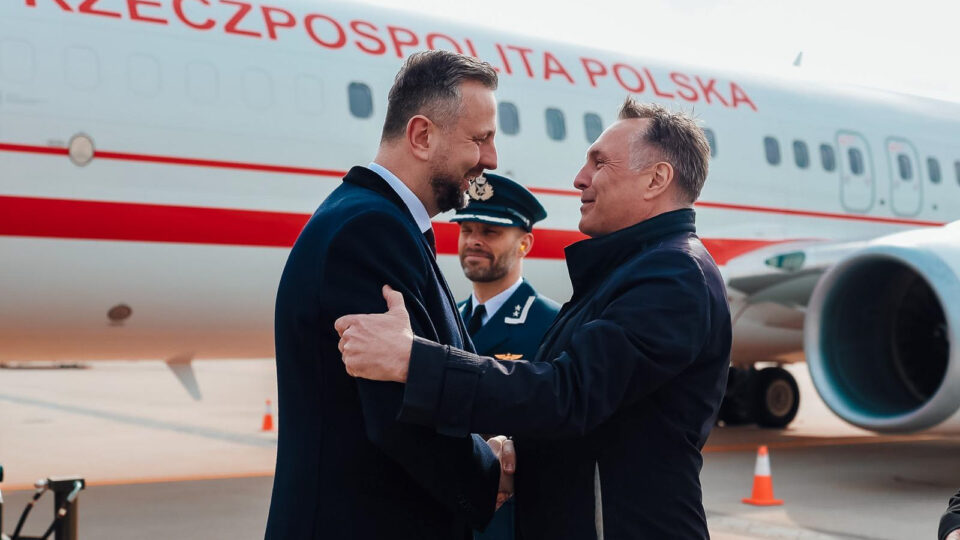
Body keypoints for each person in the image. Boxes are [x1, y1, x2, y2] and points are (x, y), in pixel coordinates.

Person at [336, 99, 732, 539]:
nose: (580, 178)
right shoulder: (629, 271)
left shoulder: (674, 274)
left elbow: (569, 394)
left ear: (656, 179)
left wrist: (414, 362)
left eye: (599, 163)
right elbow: (603, 420)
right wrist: (518, 449)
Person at [264, 50, 512, 540]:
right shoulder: (369, 229)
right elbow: (400, 414)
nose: (491, 159)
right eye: (479, 139)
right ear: (422, 135)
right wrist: (490, 474)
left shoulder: (379, 221)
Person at [452, 173, 560, 540]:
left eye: (490, 232)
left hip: (512, 516)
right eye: (467, 230)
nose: (474, 240)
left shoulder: (550, 323)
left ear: (525, 244)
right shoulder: (447, 317)